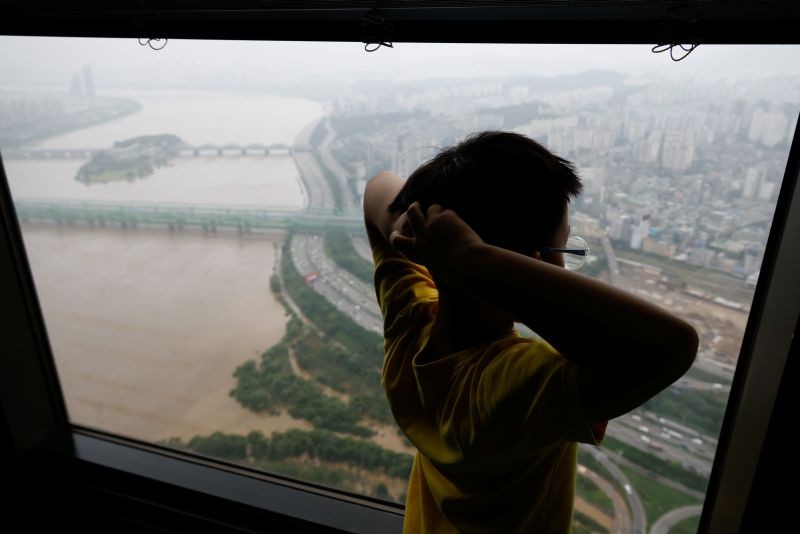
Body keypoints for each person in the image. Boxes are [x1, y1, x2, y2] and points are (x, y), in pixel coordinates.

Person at [362, 131, 699, 533]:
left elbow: (377, 188)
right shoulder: (512, 385)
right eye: (564, 250)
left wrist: (448, 249)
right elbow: (672, 347)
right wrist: (475, 260)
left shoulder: (408, 324)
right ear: (532, 265)